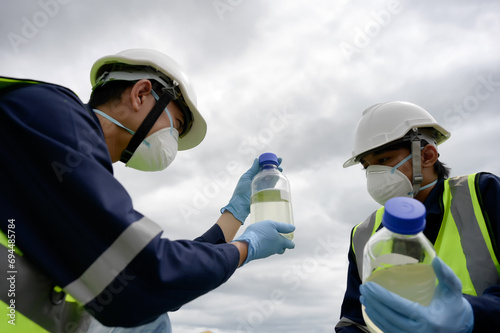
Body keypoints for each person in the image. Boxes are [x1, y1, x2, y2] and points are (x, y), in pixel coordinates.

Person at [0, 49, 295, 333]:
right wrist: (245, 249)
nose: (173, 144)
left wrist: (235, 212)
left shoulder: (60, 134)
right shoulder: (50, 115)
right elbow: (143, 279)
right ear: (141, 94)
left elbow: (141, 271)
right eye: (176, 127)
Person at [335, 101, 500, 332]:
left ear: (427, 155)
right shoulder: (363, 234)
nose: (374, 176)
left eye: (383, 160)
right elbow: (354, 322)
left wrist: (471, 314)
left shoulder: (483, 194)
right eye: (367, 167)